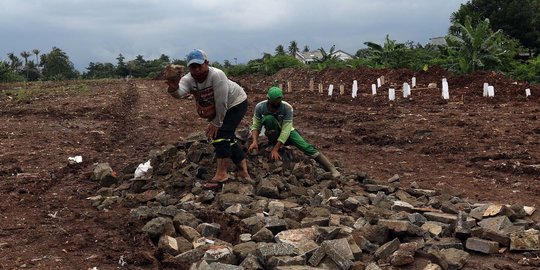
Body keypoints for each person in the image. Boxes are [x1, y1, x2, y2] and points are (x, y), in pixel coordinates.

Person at [165, 49, 251, 184]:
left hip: (236, 103)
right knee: (228, 138)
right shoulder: (188, 79)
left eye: (199, 65)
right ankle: (243, 172)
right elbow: (180, 94)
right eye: (193, 66)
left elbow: (221, 102)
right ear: (189, 68)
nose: (197, 69)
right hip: (221, 107)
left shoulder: (217, 75)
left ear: (206, 63)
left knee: (220, 135)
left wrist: (216, 123)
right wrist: (173, 88)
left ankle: (222, 174)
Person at [248, 86, 341, 178]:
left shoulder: (287, 107)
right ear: (268, 99)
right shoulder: (260, 107)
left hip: (287, 132)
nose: (276, 105)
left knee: (305, 146)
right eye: (274, 103)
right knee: (268, 119)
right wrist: (254, 141)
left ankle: (331, 168)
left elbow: (286, 129)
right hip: (272, 133)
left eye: (278, 102)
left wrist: (276, 149)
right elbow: (256, 125)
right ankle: (272, 143)